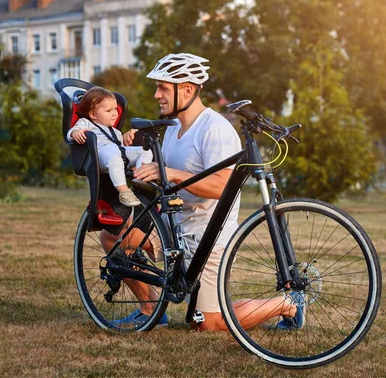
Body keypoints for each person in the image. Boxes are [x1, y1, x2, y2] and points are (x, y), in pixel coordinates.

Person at [119, 53, 304, 331]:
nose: (157, 95)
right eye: (157, 87)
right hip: (175, 231)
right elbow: (158, 172)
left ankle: (287, 305)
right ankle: (150, 312)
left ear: (188, 90)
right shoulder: (172, 128)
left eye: (163, 88)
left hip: (209, 238)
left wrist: (170, 173)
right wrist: (133, 146)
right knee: (116, 236)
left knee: (207, 324)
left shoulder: (215, 129)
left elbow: (221, 186)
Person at [67, 86, 152, 207]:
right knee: (113, 152)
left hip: (116, 155)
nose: (114, 114)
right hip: (99, 157)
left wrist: (127, 138)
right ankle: (124, 191)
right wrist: (76, 133)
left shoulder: (115, 131)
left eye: (115, 109)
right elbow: (71, 132)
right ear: (93, 114)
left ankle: (140, 176)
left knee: (145, 150)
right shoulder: (87, 123)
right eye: (109, 111)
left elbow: (122, 148)